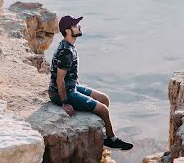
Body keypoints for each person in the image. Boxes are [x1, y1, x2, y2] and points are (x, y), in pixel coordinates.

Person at [48, 14, 134, 150]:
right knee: (103, 110)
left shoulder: (69, 46)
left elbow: (69, 75)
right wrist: (65, 102)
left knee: (104, 99)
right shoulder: (66, 51)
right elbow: (59, 80)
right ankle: (112, 139)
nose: (79, 26)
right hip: (62, 93)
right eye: (75, 25)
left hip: (72, 86)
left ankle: (101, 129)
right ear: (68, 31)